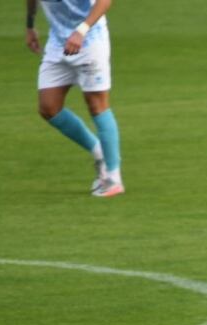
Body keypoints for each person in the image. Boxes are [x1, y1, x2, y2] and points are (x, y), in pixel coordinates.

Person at [25, 0, 124, 197]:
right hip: (58, 42)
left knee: (97, 104)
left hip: (90, 40)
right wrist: (30, 25)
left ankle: (113, 178)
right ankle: (99, 152)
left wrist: (82, 30)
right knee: (48, 107)